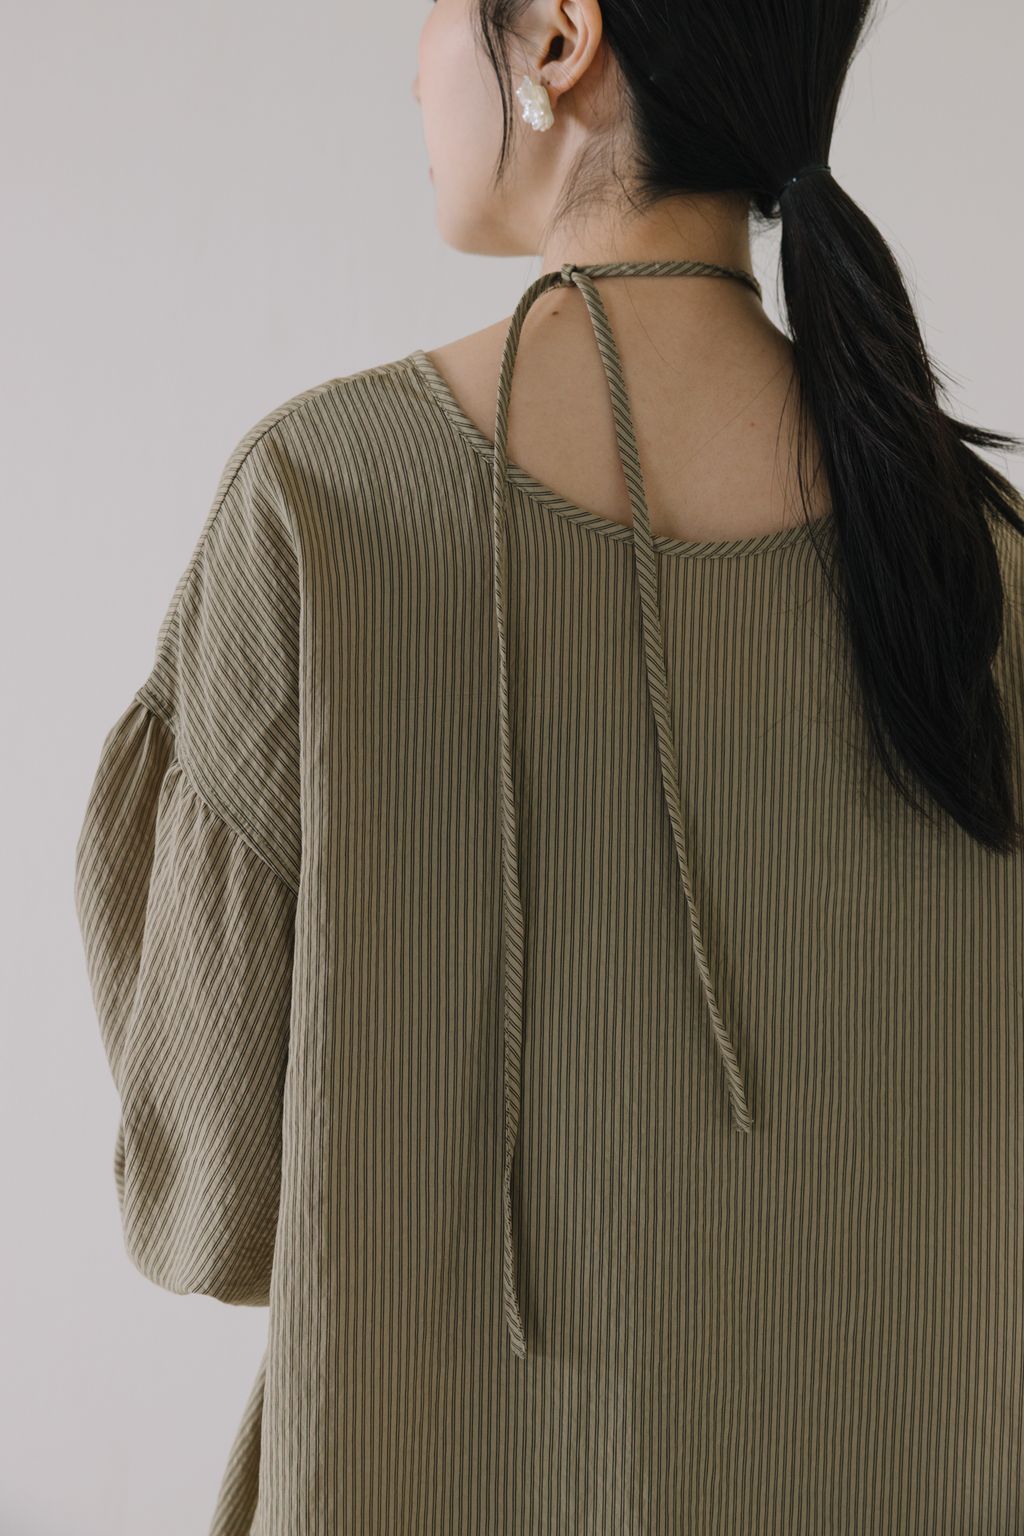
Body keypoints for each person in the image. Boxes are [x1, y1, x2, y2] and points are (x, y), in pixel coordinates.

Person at [74, 0, 1024, 1531]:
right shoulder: (980, 576)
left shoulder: (330, 505)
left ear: (563, 36)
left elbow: (211, 1200)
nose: (415, 61)